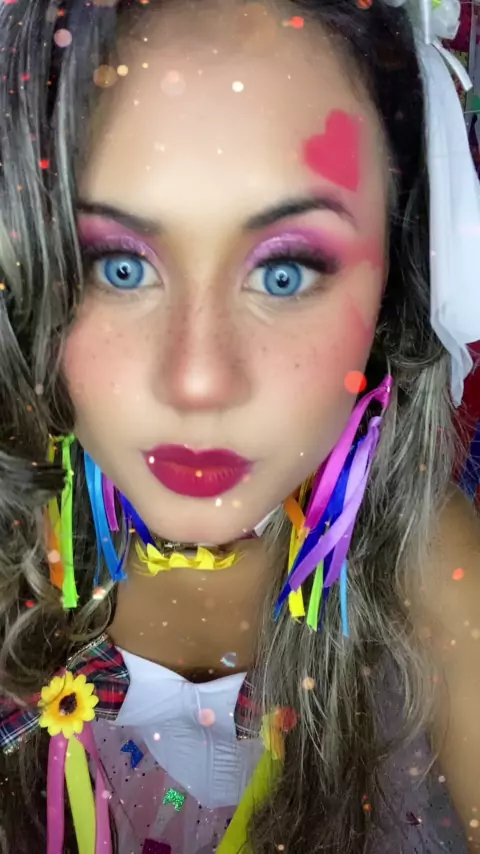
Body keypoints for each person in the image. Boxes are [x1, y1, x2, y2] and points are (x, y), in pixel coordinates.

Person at [0, 0, 480, 852]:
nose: (199, 381)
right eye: (119, 265)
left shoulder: (429, 559)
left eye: (285, 272)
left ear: (397, 277)